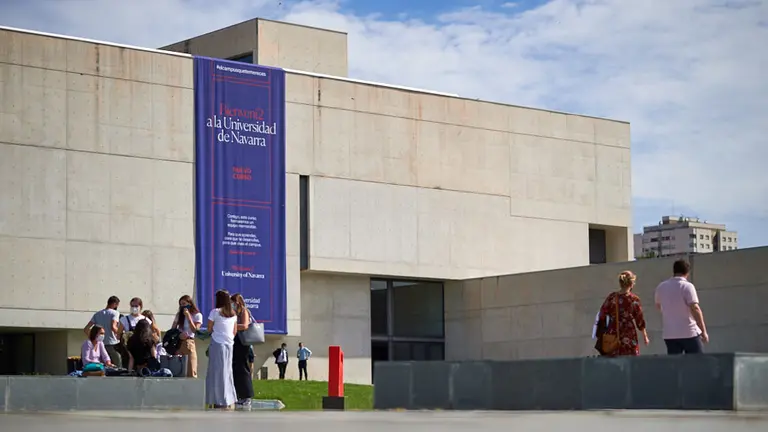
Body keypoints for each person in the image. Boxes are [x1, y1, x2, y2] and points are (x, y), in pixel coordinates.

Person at [655, 259, 709, 354]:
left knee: (675, 365)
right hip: (688, 331)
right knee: (697, 362)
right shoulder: (687, 286)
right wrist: (703, 331)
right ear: (687, 272)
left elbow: (659, 306)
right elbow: (695, 308)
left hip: (670, 333)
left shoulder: (661, 287)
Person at [597, 271, 649, 356]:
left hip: (613, 332)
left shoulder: (612, 297)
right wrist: (645, 336)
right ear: (631, 284)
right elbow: (639, 320)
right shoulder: (634, 299)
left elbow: (602, 313)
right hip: (628, 334)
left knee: (614, 360)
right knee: (630, 361)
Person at [205, 290, 238, 410]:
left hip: (217, 343)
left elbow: (209, 328)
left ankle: (217, 399)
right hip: (229, 344)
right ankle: (228, 399)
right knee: (227, 371)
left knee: (216, 372)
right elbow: (234, 331)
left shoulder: (215, 312)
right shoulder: (233, 314)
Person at [84, 296, 122, 368]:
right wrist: (121, 334)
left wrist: (93, 338)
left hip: (99, 344)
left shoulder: (97, 314)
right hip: (112, 343)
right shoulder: (115, 313)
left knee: (101, 367)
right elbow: (113, 327)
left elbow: (86, 329)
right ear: (115, 304)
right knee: (117, 365)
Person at [231, 293, 255, 408]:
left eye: (233, 302)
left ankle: (247, 396)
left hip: (243, 342)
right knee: (235, 368)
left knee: (242, 368)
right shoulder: (234, 313)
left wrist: (231, 326)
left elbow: (245, 326)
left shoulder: (244, 311)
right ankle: (239, 395)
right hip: (236, 341)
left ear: (238, 302)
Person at [172, 295, 203, 378]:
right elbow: (172, 330)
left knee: (191, 368)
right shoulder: (179, 315)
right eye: (181, 304)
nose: (183, 306)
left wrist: (188, 316)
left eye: (184, 304)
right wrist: (178, 335)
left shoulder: (197, 315)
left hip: (189, 342)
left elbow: (195, 330)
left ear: (190, 303)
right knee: (178, 369)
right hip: (179, 343)